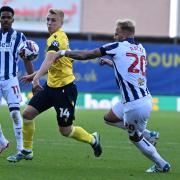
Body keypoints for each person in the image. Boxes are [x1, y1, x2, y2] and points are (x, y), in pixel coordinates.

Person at [53, 19, 171, 173]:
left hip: (134, 105)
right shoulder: (140, 49)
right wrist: (111, 63)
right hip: (141, 99)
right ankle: (150, 134)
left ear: (124, 33)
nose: (114, 36)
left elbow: (87, 54)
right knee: (109, 118)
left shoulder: (117, 46)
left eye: (116, 33)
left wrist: (63, 53)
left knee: (135, 138)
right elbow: (134, 70)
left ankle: (162, 164)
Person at [7, 8, 102, 162]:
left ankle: (93, 139)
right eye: (48, 20)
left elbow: (49, 59)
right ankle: (26, 150)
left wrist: (36, 78)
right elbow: (51, 64)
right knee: (27, 114)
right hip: (50, 87)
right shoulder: (53, 39)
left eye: (53, 20)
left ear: (61, 23)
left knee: (65, 130)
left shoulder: (57, 38)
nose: (49, 23)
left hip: (65, 90)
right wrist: (34, 75)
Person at [99, 57, 160, 146]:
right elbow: (124, 69)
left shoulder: (132, 56)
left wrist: (109, 62)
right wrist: (109, 62)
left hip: (135, 100)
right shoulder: (135, 55)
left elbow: (127, 70)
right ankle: (149, 134)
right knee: (108, 119)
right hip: (128, 98)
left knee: (136, 134)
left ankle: (147, 138)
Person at [0, 6, 34, 154]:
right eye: (3, 17)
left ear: (13, 19)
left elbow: (27, 58)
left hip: (10, 79)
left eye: (8, 17)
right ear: (0, 19)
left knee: (14, 113)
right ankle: (2, 142)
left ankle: (21, 148)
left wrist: (34, 78)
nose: (5, 19)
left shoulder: (20, 38)